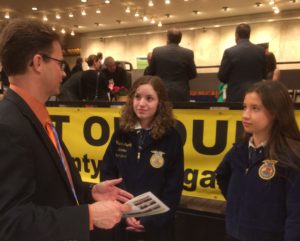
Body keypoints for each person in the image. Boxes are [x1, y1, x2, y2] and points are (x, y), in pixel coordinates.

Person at [0, 18, 133, 241]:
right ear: (38, 62)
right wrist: (88, 215)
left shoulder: (34, 115)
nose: (64, 73)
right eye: (59, 63)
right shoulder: (8, 126)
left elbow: (47, 189)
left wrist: (88, 192)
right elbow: (10, 222)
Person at [100, 75, 184, 241]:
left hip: (157, 227)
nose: (141, 104)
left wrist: (151, 220)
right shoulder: (121, 133)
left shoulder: (171, 137)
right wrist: (122, 213)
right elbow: (107, 174)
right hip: (121, 220)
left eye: (149, 98)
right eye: (137, 97)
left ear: (160, 103)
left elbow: (173, 188)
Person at [215, 81, 300, 241]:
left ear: (275, 112)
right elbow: (222, 176)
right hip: (234, 235)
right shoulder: (238, 151)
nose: (245, 115)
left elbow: (296, 215)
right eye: (245, 107)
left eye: (255, 108)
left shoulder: (291, 157)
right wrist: (242, 204)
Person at [218, 23, 266, 102]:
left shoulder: (229, 52)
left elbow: (222, 77)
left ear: (236, 35)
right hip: (256, 95)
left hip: (235, 96)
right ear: (249, 35)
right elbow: (264, 74)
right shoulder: (260, 51)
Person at [147, 28, 197, 102]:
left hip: (161, 91)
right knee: (181, 113)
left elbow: (150, 72)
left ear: (167, 38)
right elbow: (193, 74)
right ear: (180, 39)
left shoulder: (157, 51)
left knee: (162, 112)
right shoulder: (188, 53)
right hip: (181, 92)